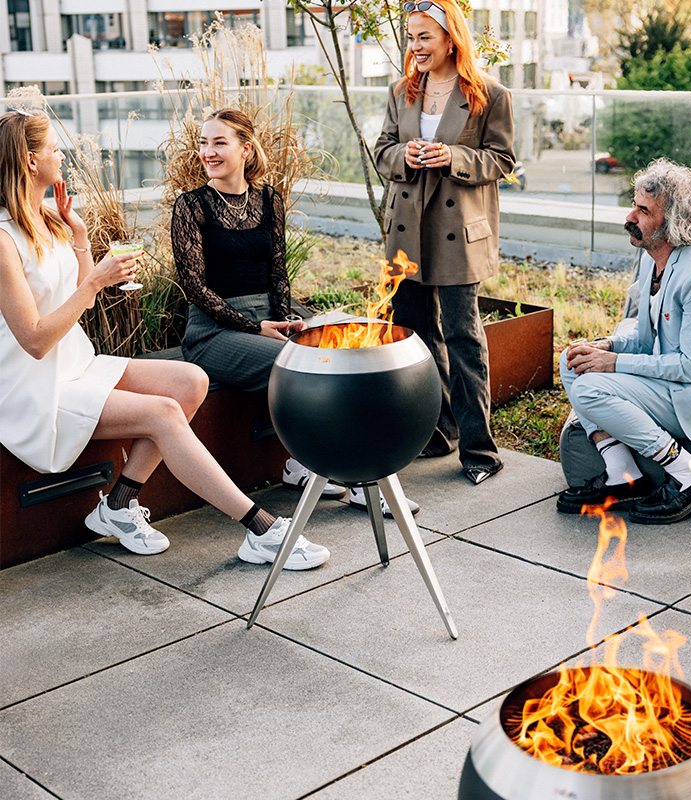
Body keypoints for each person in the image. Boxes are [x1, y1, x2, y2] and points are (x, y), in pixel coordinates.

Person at [0, 109, 328, 570]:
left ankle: (116, 506)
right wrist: (95, 281)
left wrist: (78, 233)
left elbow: (80, 301)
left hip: (75, 363)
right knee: (164, 413)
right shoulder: (3, 239)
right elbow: (34, 340)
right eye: (55, 149)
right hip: (35, 386)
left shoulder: (50, 220)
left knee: (190, 382)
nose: (63, 156)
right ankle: (261, 530)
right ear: (31, 161)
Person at [171, 108, 419, 519]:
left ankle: (307, 465)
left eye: (219, 142)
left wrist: (285, 319)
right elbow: (196, 289)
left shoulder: (268, 198)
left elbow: (277, 271)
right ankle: (358, 481)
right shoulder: (191, 206)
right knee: (299, 361)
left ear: (245, 149)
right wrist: (258, 327)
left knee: (346, 341)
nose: (208, 152)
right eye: (203, 143)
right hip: (214, 330)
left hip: (269, 317)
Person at [557, 158, 691, 524]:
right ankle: (623, 475)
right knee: (572, 361)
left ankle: (689, 473)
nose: (630, 217)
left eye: (643, 210)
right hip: (672, 385)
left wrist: (614, 364)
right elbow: (649, 338)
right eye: (634, 205)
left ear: (671, 224)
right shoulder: (653, 260)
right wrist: (609, 348)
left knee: (590, 389)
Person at [374, 0, 515, 485]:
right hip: (405, 233)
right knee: (415, 333)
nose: (414, 48)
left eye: (423, 38)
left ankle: (479, 450)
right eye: (410, 38)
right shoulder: (401, 92)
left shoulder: (489, 95)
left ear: (451, 38)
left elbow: (502, 160)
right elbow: (382, 151)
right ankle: (441, 429)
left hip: (458, 234)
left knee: (463, 337)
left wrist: (452, 155)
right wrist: (405, 156)